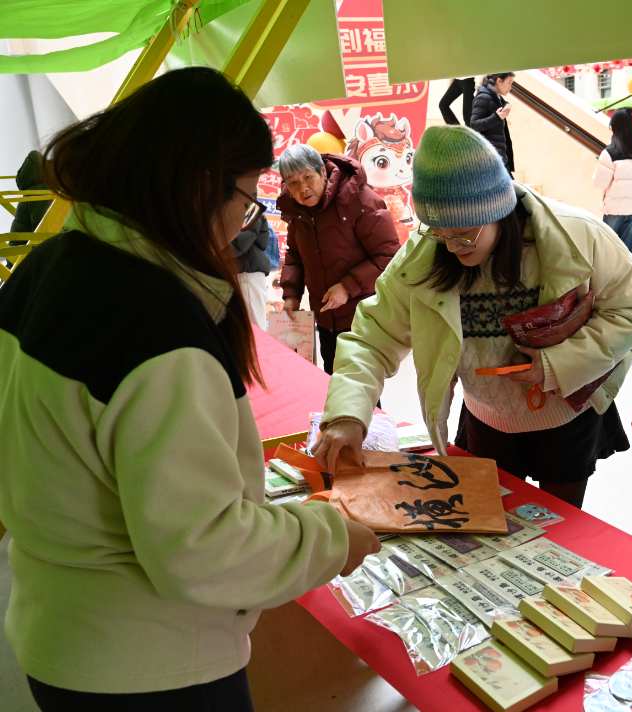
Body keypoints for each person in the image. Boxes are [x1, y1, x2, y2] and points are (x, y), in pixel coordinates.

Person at [0, 67, 380, 711]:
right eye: (245, 199)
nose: (239, 225)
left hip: (56, 633)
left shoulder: (48, 265)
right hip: (151, 665)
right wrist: (333, 536)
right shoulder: (154, 323)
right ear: (199, 184)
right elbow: (205, 549)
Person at [313, 126, 632, 508]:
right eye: (439, 233)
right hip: (486, 419)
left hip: (566, 418)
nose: (452, 248)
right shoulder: (424, 253)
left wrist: (559, 364)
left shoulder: (576, 234)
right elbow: (371, 338)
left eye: (463, 234)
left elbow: (629, 309)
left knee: (561, 525)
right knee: (489, 516)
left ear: (498, 212)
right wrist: (347, 415)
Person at [277, 144, 400, 375]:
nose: (303, 189)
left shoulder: (360, 200)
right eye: (293, 183)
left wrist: (346, 286)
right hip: (325, 316)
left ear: (323, 172)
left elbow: (390, 257)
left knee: (359, 385)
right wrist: (291, 295)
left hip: (362, 316)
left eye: (308, 177)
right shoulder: (296, 210)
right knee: (332, 379)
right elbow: (294, 255)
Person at [592, 107, 632, 255]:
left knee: (608, 249)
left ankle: (610, 271)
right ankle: (629, 272)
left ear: (615, 126)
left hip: (614, 209)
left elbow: (600, 183)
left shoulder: (610, 152)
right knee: (629, 251)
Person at [229, 214, 271, 327]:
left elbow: (236, 245)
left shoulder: (246, 209)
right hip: (242, 271)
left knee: (251, 330)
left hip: (244, 273)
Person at [471, 72, 516, 173]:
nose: (510, 87)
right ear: (499, 81)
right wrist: (496, 117)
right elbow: (474, 125)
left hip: (497, 157)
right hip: (488, 158)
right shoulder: (483, 97)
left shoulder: (497, 99)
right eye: (509, 83)